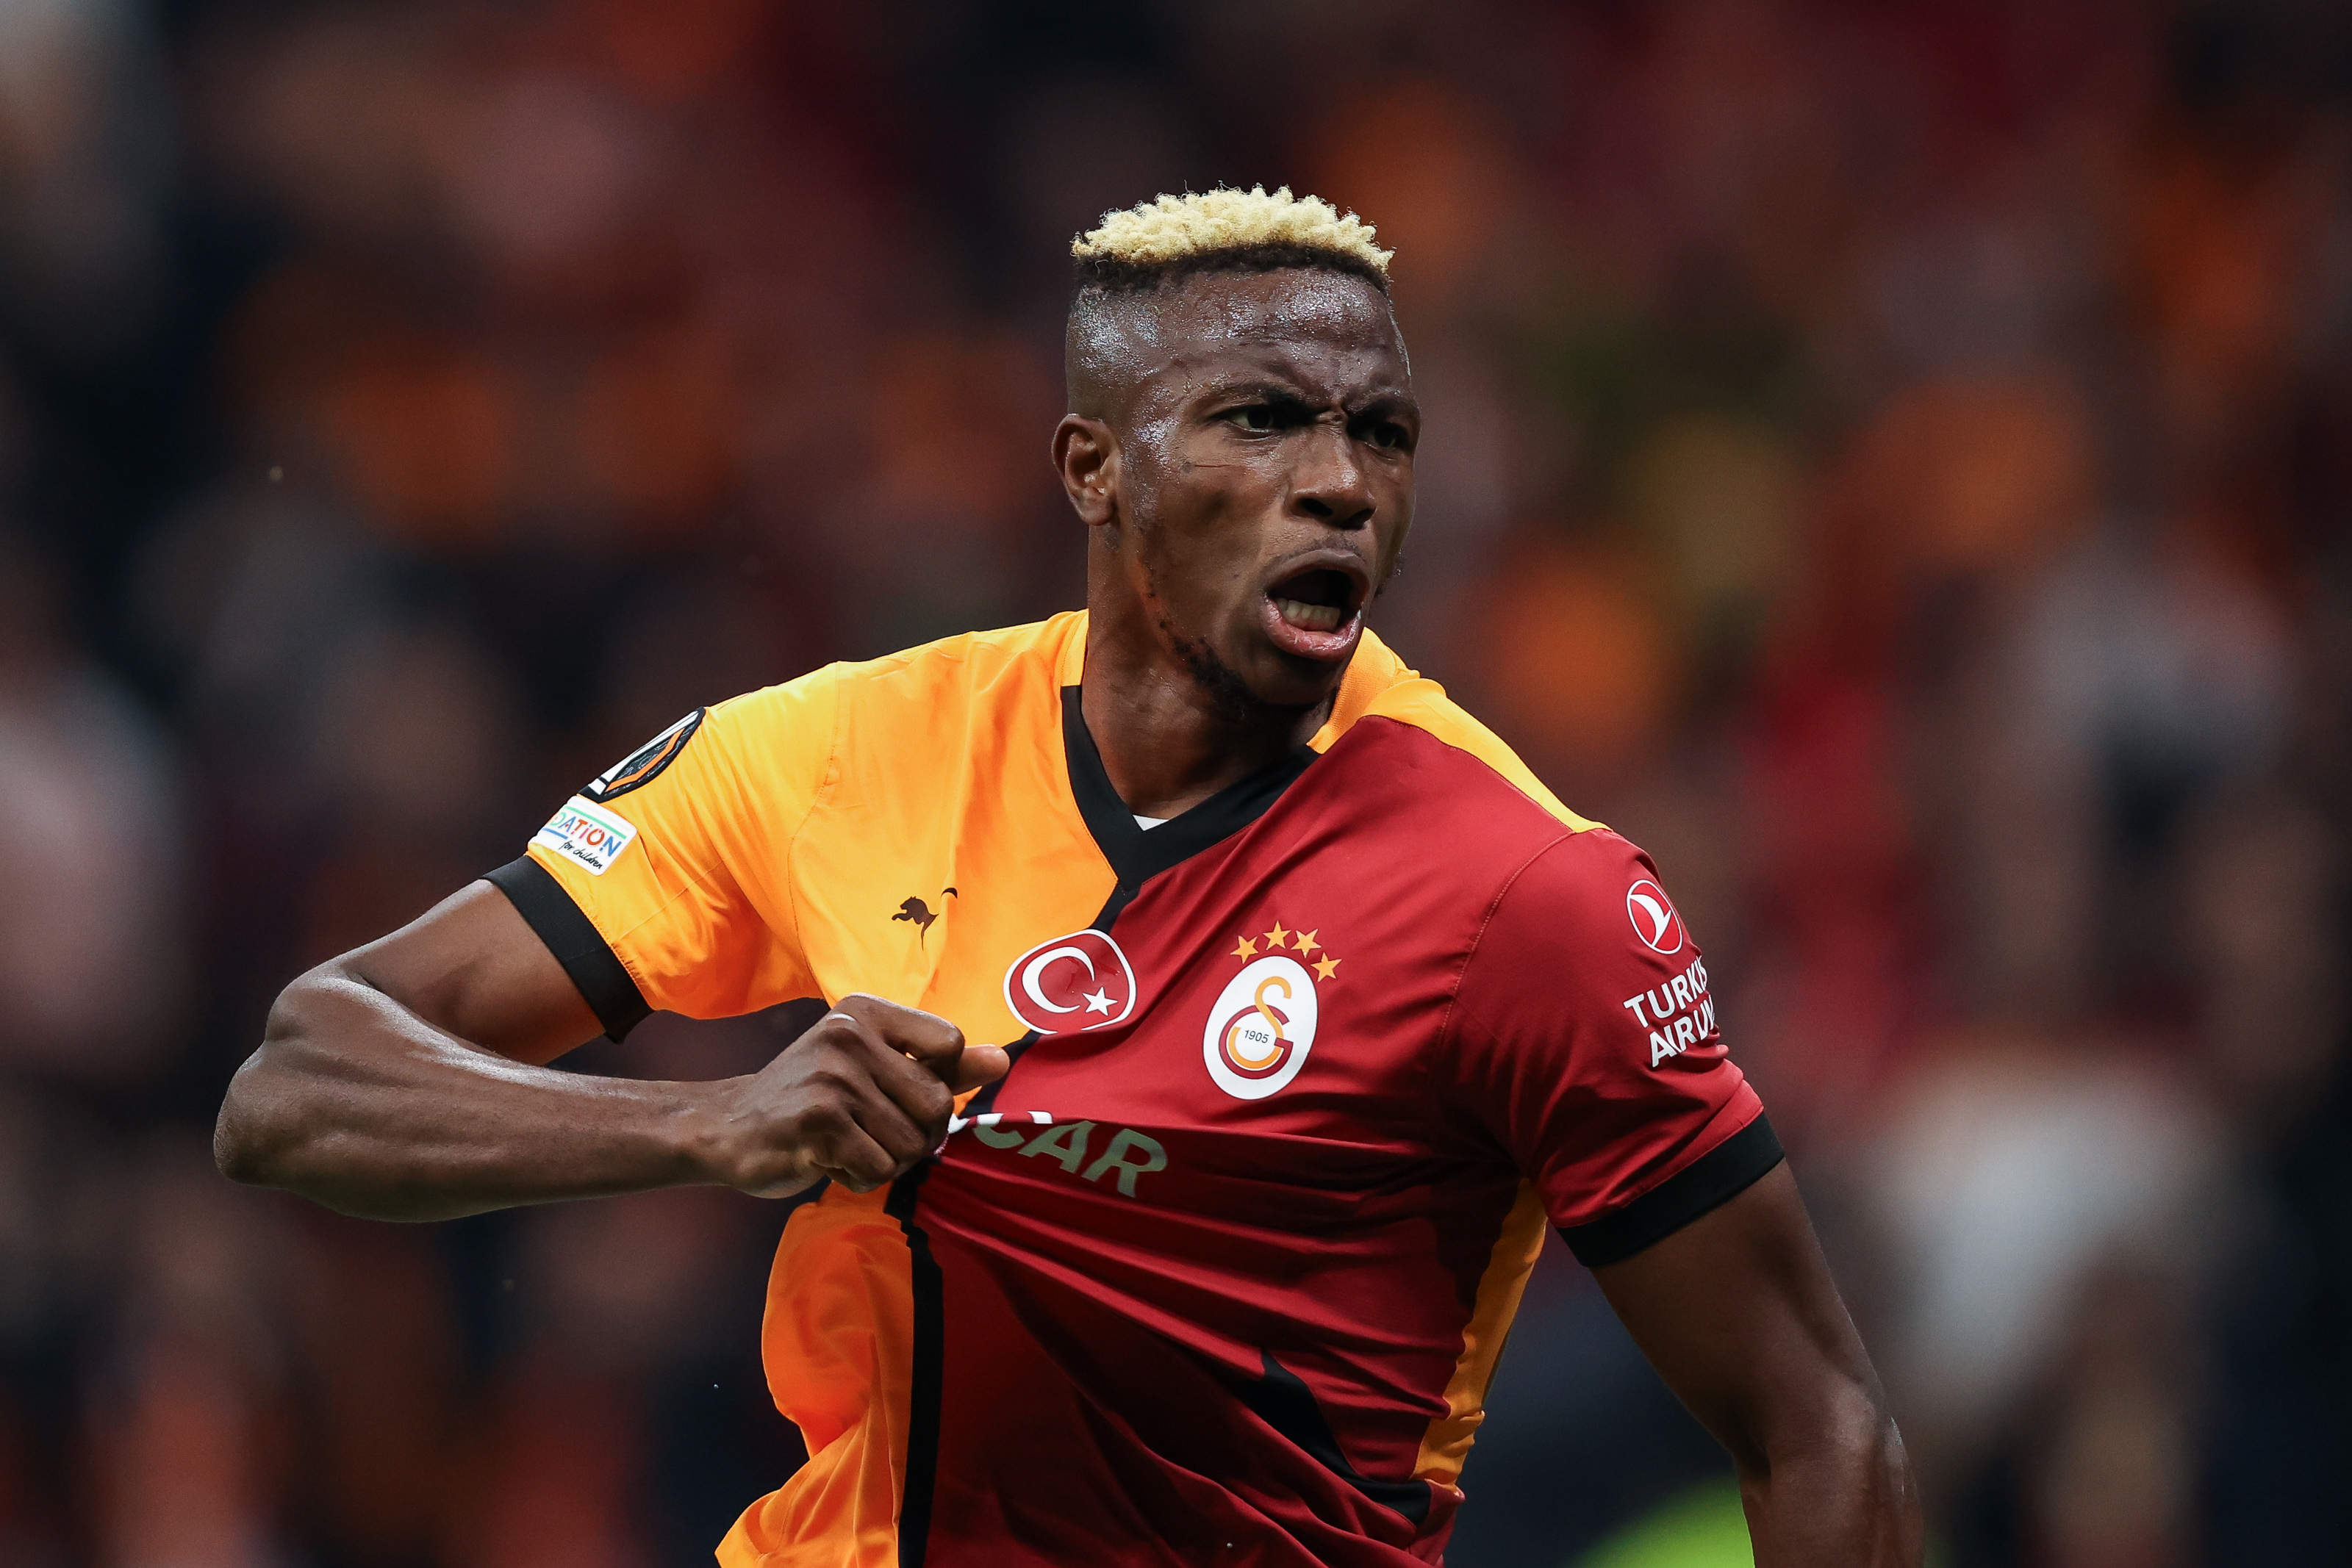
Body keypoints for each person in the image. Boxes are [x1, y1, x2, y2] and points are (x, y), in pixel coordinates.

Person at [217, 187, 1921, 1566]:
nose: (1337, 481)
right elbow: (301, 1079)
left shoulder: (1524, 890)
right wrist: (709, 1122)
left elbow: (1816, 1423)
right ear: (1092, 469)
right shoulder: (828, 754)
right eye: (1260, 420)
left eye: (1380, 433)